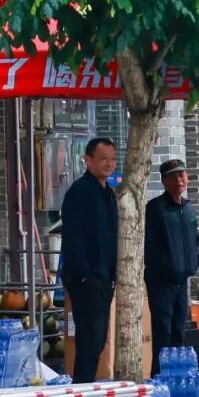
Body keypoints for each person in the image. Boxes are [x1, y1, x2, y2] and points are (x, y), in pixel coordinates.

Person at [61, 138, 119, 383]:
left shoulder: (109, 193)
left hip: (105, 276)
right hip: (86, 278)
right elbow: (73, 236)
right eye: (103, 158)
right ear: (88, 160)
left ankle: (85, 386)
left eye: (113, 159)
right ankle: (81, 387)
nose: (109, 164)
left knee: (98, 339)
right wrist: (84, 275)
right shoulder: (79, 191)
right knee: (89, 338)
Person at [144, 159, 199, 376]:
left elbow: (195, 240)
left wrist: (194, 261)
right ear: (164, 181)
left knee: (179, 330)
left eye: (182, 175)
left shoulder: (188, 209)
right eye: (173, 176)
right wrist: (166, 268)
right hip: (161, 282)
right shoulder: (156, 208)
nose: (179, 180)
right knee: (163, 332)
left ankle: (177, 376)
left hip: (182, 280)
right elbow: (151, 246)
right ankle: (160, 376)